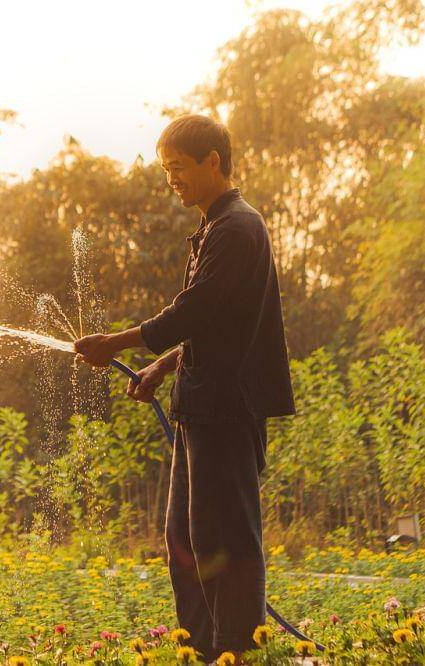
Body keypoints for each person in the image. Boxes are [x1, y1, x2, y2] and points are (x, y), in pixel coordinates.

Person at [74, 114, 295, 663]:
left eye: (178, 167)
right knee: (187, 542)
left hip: (227, 409)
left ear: (212, 162)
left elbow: (192, 311)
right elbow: (211, 324)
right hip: (200, 406)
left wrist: (118, 341)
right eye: (166, 168)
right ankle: (198, 650)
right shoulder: (214, 227)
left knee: (227, 541)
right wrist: (163, 366)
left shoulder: (238, 228)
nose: (171, 179)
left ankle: (237, 652)